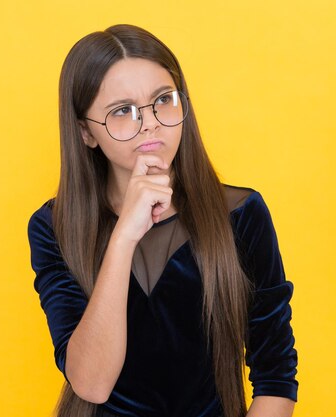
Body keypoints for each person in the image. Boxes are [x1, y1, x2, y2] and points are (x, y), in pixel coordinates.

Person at [27, 24, 298, 417]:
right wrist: (124, 238)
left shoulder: (241, 215)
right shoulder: (54, 228)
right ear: (86, 132)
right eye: (123, 111)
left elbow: (276, 375)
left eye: (163, 100)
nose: (151, 122)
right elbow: (91, 383)